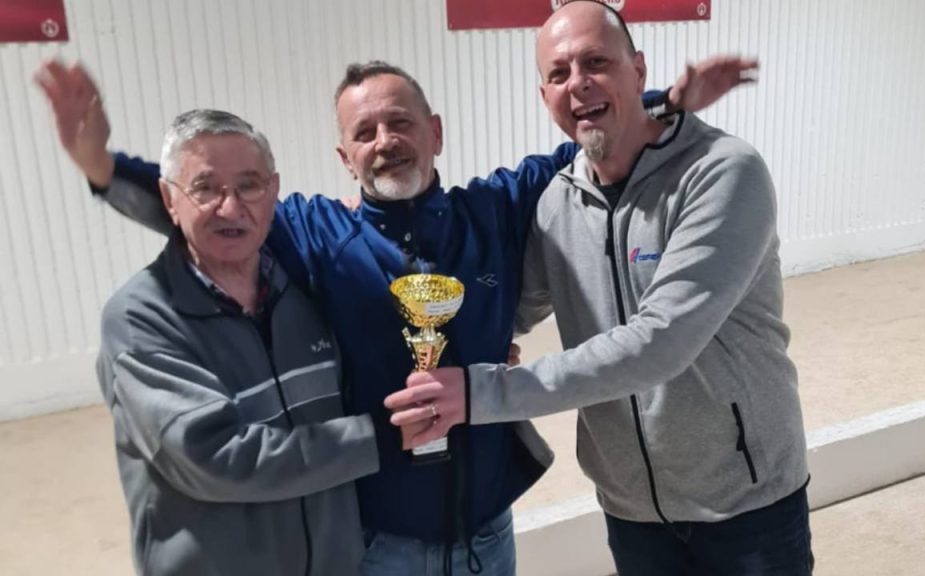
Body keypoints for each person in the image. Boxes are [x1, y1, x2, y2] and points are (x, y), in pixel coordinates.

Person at [36, 52, 752, 575]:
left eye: (400, 122)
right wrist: (103, 166)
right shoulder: (311, 232)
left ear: (435, 131)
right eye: (366, 132)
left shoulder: (498, 206)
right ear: (345, 156)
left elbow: (589, 134)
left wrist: (663, 101)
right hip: (380, 542)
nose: (385, 141)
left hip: (489, 529)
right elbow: (214, 206)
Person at [385, 2, 813, 575]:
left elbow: (659, 343)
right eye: (559, 73)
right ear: (545, 97)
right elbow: (513, 309)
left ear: (638, 71)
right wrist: (472, 344)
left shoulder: (721, 172)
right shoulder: (557, 203)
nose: (578, 83)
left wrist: (479, 391)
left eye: (595, 62)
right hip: (630, 508)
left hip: (746, 502)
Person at [83, 108, 378, 575]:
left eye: (249, 185)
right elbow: (217, 459)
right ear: (169, 199)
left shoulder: (308, 290)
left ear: (274, 191)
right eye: (205, 188)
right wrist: (377, 439)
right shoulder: (140, 318)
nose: (230, 207)